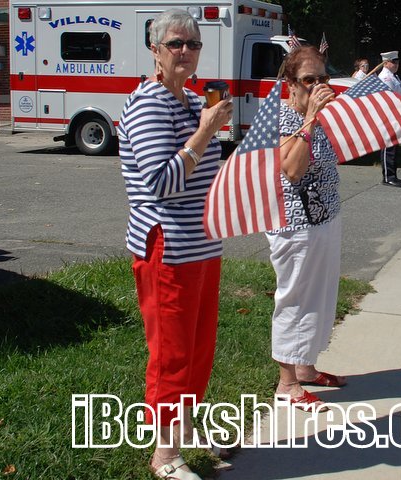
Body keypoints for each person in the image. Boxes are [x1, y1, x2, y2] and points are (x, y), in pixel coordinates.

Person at [118, 9, 233, 480]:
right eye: (175, 44)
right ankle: (164, 455)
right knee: (171, 352)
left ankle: (182, 427)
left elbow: (205, 170)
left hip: (202, 244)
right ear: (155, 50)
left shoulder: (191, 100)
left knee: (199, 348)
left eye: (193, 44)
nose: (185, 51)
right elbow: (162, 183)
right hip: (167, 249)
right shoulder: (147, 104)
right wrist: (205, 131)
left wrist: (210, 127)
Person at [267, 45, 346, 412]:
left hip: (324, 218)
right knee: (295, 299)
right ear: (291, 84)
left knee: (320, 297)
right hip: (295, 224)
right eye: (309, 79)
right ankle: (287, 384)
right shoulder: (282, 117)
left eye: (323, 77)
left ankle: (306, 368)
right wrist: (311, 117)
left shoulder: (321, 115)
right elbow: (292, 170)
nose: (317, 85)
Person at [378, 50, 401, 187]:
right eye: (394, 62)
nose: (396, 64)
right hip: (388, 115)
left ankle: (393, 174)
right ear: (386, 63)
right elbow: (388, 99)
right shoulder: (385, 78)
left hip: (395, 114)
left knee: (394, 146)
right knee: (388, 146)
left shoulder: (394, 77)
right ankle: (388, 177)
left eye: (397, 62)